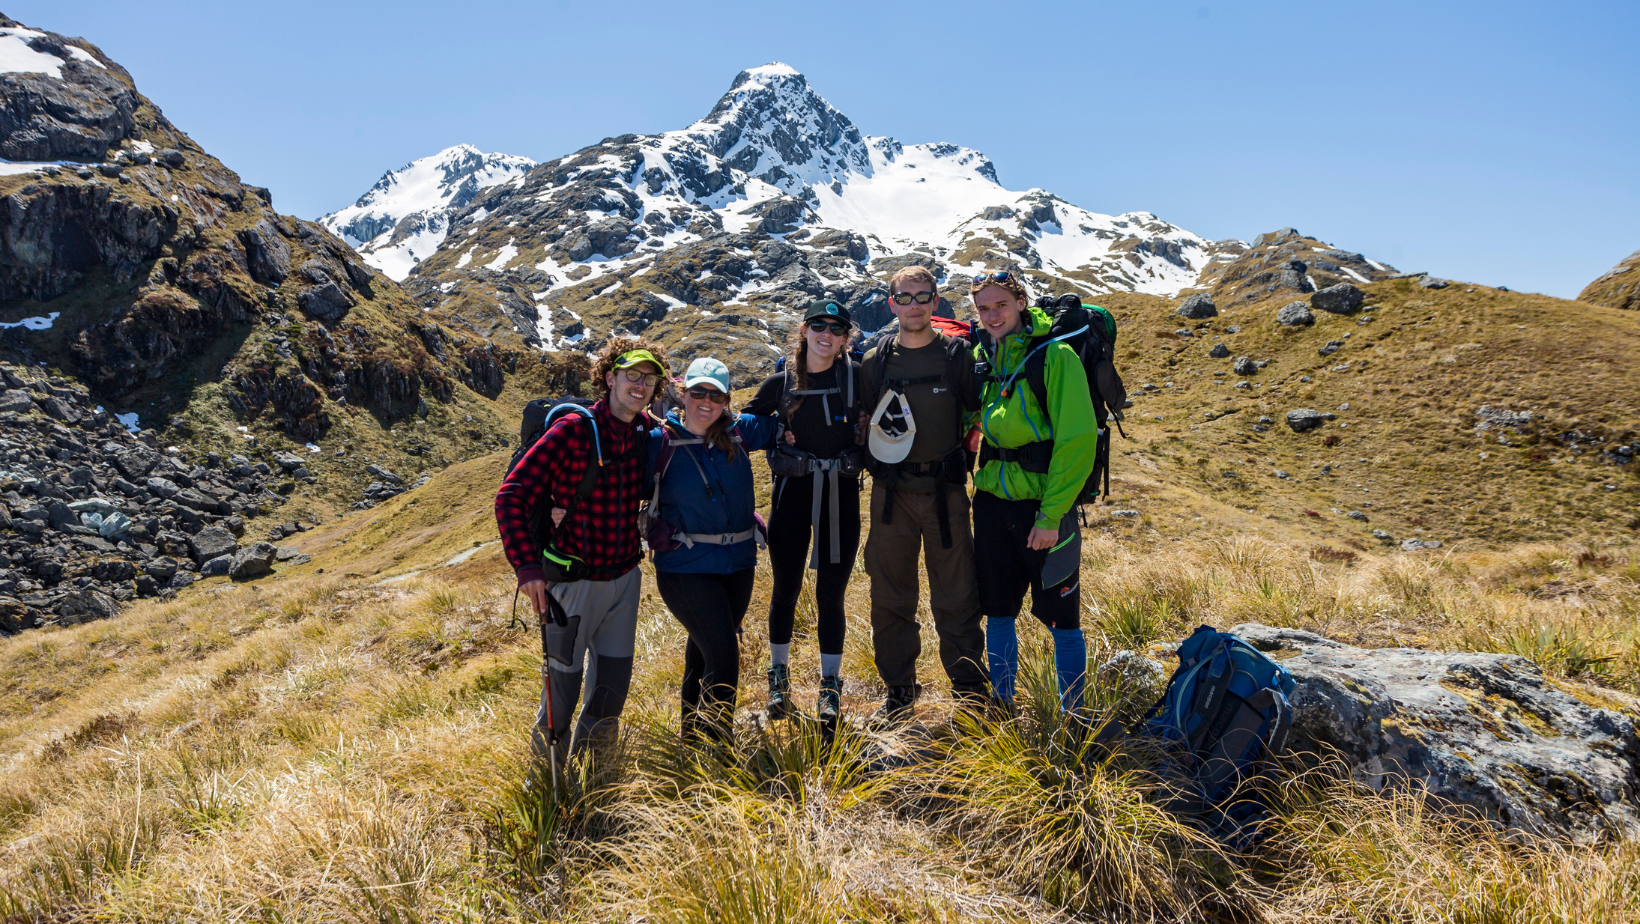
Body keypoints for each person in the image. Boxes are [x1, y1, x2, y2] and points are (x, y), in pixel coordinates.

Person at [495, 337, 666, 763]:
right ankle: (547, 788)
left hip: (625, 581)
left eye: (649, 380)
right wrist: (527, 570)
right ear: (610, 378)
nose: (640, 386)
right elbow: (511, 495)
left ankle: (595, 782)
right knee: (562, 694)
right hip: (573, 584)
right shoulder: (572, 431)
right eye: (632, 376)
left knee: (610, 692)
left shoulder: (645, 433)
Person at [859, 266, 988, 722]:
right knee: (890, 595)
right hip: (890, 496)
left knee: (957, 594)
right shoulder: (875, 362)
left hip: (946, 493)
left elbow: (982, 409)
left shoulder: (957, 356)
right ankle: (899, 690)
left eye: (922, 296)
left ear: (936, 302)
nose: (913, 305)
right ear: (891, 303)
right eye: (904, 297)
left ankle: (970, 688)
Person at [969, 272, 1098, 714]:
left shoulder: (1056, 356)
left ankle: (1074, 712)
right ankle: (1003, 703)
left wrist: (1050, 515)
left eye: (1000, 305)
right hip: (990, 504)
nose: (992, 315)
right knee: (999, 610)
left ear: (1021, 302)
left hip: (1043, 508)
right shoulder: (983, 355)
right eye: (983, 308)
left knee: (1063, 618)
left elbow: (1077, 440)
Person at [646, 357, 780, 741]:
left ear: (727, 400)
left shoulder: (741, 433)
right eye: (698, 392)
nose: (706, 401)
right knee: (723, 654)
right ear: (682, 392)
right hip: (684, 567)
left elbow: (785, 422)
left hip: (738, 564)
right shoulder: (659, 441)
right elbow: (616, 484)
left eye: (716, 395)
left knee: (703, 651)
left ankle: (691, 737)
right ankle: (719, 749)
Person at [744, 299, 864, 725]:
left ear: (845, 338)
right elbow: (742, 428)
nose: (826, 333)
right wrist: (776, 431)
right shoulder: (780, 384)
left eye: (836, 328)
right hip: (790, 497)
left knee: (831, 596)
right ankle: (779, 678)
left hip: (840, 499)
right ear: (804, 329)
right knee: (785, 589)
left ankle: (829, 687)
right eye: (818, 325)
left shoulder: (857, 380)